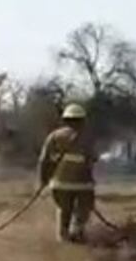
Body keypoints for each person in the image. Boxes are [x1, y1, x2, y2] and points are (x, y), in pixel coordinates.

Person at [38, 103, 96, 243]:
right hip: (83, 184)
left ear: (65, 119)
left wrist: (43, 180)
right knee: (82, 210)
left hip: (59, 183)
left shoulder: (54, 136)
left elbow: (43, 160)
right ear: (82, 120)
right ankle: (77, 232)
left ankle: (64, 237)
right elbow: (92, 159)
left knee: (64, 210)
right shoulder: (88, 138)